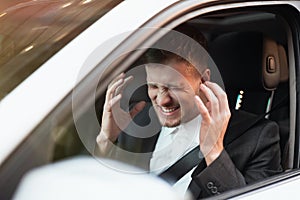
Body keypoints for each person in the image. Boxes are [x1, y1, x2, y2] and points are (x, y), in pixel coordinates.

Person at [95, 24, 282, 199]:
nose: (162, 100)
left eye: (175, 87)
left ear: (204, 79)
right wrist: (106, 139)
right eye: (153, 86)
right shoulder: (140, 120)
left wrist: (213, 152)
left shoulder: (258, 137)